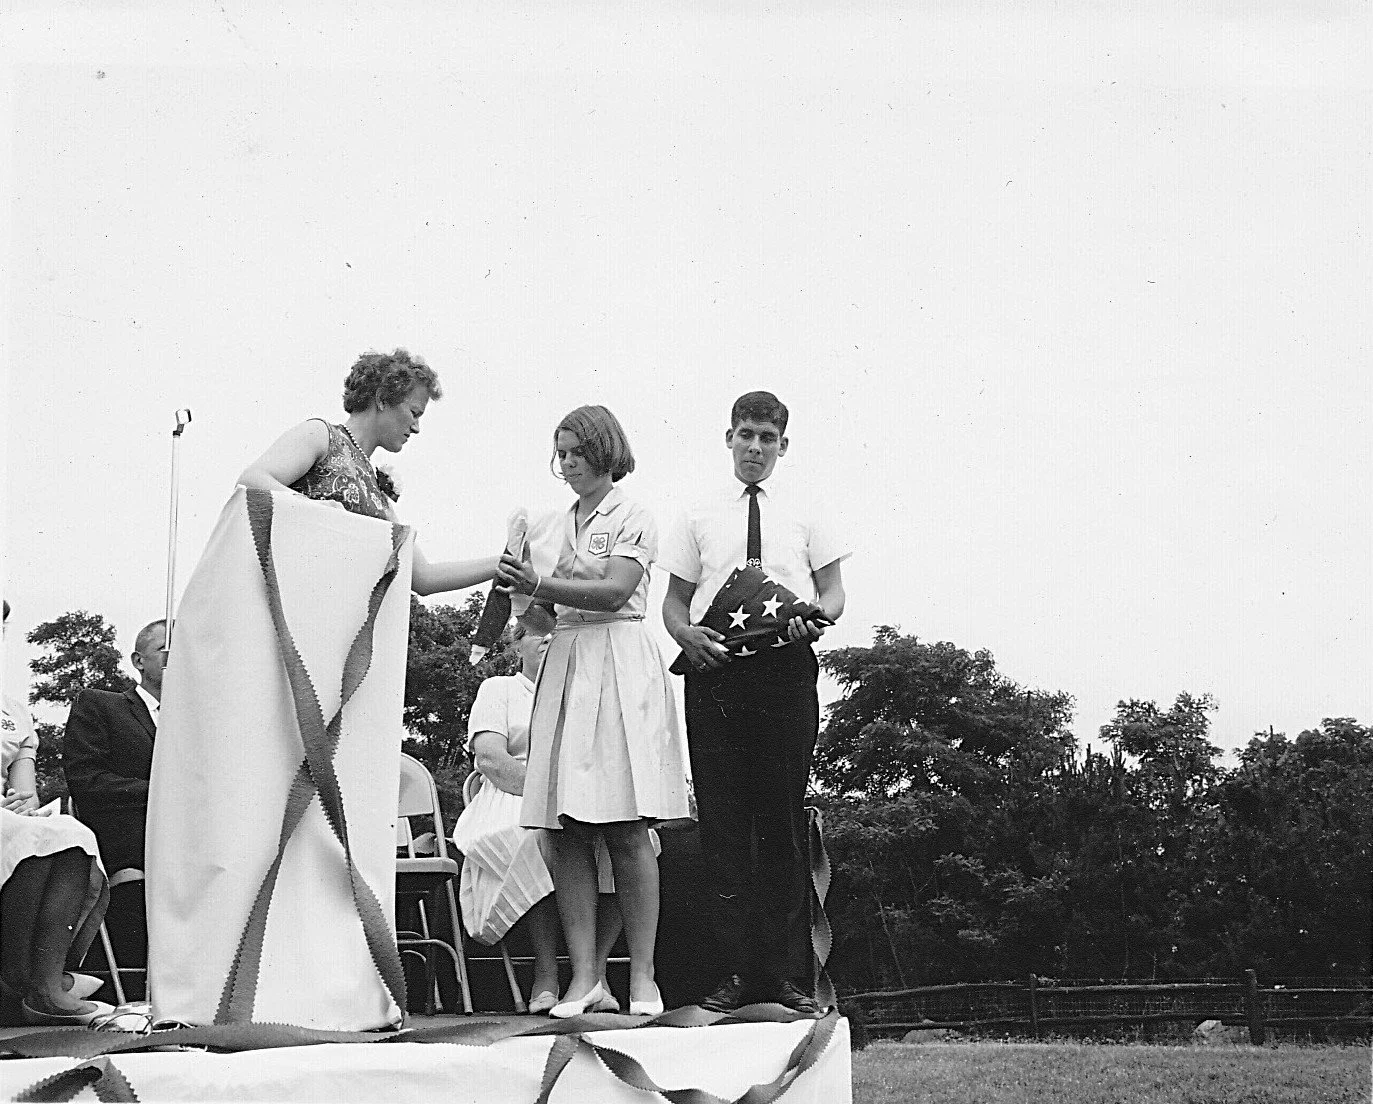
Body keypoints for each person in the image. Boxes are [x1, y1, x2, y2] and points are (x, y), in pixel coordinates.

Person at [147, 349, 502, 1031]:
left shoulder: (380, 488)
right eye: (412, 412)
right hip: (289, 656)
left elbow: (420, 578)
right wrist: (335, 532)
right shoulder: (318, 438)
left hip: (342, 665)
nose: (417, 427)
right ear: (383, 396)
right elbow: (254, 484)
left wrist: (498, 565)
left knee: (327, 823)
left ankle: (314, 984)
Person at [496, 405, 690, 1019]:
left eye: (577, 450)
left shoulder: (634, 514)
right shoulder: (551, 524)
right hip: (567, 663)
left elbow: (613, 591)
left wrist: (539, 584)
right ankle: (585, 977)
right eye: (561, 452)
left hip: (621, 661)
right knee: (564, 827)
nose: (568, 462)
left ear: (605, 450)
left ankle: (643, 977)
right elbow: (543, 615)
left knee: (628, 827)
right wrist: (521, 600)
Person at [659, 391, 848, 1016]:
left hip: (785, 671)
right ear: (729, 438)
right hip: (715, 674)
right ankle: (728, 974)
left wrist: (816, 618)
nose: (756, 447)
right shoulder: (697, 513)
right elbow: (674, 604)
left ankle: (787, 974)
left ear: (783, 445)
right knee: (721, 822)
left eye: (768, 438)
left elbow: (834, 594)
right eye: (746, 435)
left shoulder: (808, 511)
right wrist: (686, 637)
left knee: (781, 820)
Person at [451, 608, 627, 1015]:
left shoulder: (587, 690)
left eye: (556, 632)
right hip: (511, 797)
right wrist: (548, 794)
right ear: (515, 645)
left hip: (581, 799)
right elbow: (490, 759)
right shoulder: (498, 689)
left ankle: (595, 974)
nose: (547, 638)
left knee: (635, 842)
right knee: (539, 836)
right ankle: (545, 972)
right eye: (535, 633)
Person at [1, 599, 114, 1026]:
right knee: (26, 837)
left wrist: (26, 807)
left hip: (6, 817)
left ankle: (45, 983)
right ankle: (21, 979)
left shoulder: (12, 711)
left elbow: (25, 791)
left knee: (68, 831)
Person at [63, 617, 165, 970]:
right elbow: (87, 781)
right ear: (138, 660)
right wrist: (164, 793)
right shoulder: (100, 705)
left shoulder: (207, 722)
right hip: (131, 841)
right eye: (166, 650)